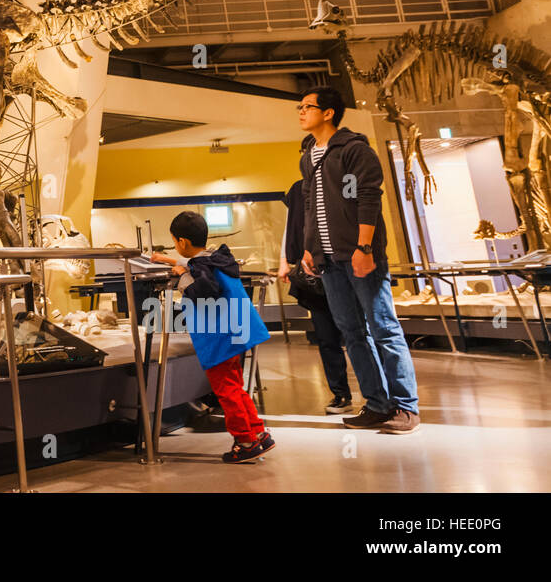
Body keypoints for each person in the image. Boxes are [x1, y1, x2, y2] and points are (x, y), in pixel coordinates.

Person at [297, 86, 420, 434]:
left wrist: (364, 248)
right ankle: (378, 405)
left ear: (328, 113)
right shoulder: (309, 156)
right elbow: (310, 205)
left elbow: (368, 198)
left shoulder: (354, 150)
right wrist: (310, 248)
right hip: (329, 260)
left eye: (307, 107)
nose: (301, 112)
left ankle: (406, 408)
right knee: (351, 332)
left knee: (383, 328)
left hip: (359, 256)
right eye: (300, 107)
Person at [166, 210, 274, 463]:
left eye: (174, 242)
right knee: (236, 386)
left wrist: (182, 275)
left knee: (226, 390)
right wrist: (175, 264)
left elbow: (203, 292)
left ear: (181, 242)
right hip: (235, 333)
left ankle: (245, 442)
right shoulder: (216, 259)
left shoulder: (199, 267)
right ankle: (258, 432)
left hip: (219, 337)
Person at [279, 179, 354, 414]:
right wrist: (284, 260)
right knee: (326, 336)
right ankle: (341, 393)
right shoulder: (299, 189)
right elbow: (291, 225)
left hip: (345, 268)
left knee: (357, 334)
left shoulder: (341, 182)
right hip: (317, 275)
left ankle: (378, 395)